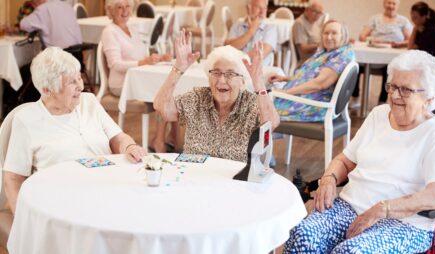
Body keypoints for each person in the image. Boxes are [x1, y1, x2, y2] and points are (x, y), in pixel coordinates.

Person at [283, 50, 435, 253]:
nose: (395, 95)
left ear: (429, 98)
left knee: (352, 252)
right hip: (351, 205)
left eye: (406, 90)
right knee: (302, 234)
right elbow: (345, 160)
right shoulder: (379, 115)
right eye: (393, 87)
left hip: (405, 223)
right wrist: (328, 179)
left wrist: (382, 209)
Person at [3, 47, 147, 214]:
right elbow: (13, 179)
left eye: (79, 77)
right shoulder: (26, 120)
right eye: (72, 82)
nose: (80, 85)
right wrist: (24, 222)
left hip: (108, 191)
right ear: (47, 90)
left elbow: (118, 138)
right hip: (62, 204)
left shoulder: (89, 102)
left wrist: (129, 147)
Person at [154, 30, 280, 162]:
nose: (221, 81)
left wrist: (259, 83)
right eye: (216, 73)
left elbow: (272, 123)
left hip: (233, 179)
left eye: (230, 74)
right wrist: (178, 68)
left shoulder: (251, 103)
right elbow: (162, 108)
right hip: (195, 176)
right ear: (209, 77)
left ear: (242, 81)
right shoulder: (198, 98)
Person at [101, 0, 172, 152]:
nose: (124, 10)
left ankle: (171, 138)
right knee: (164, 94)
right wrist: (143, 62)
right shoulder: (109, 32)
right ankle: (159, 141)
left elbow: (142, 56)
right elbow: (115, 64)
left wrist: (158, 57)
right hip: (121, 84)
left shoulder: (132, 28)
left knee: (171, 91)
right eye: (119, 7)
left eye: (128, 6)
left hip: (139, 80)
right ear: (111, 10)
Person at [269, 20, 354, 122]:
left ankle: (267, 134)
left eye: (334, 33)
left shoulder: (341, 56)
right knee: (257, 104)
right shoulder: (326, 52)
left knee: (261, 109)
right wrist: (285, 78)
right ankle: (267, 135)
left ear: (343, 35)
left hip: (313, 105)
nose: (329, 37)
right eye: (326, 33)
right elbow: (309, 76)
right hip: (302, 98)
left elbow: (319, 84)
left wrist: (285, 92)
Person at [352, 0, 413, 106]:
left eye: (394, 3)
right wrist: (373, 39)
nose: (391, 6)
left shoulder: (403, 21)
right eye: (389, 3)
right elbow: (362, 36)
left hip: (391, 56)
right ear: (384, 4)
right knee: (355, 65)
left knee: (390, 69)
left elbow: (410, 40)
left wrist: (398, 44)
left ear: (398, 5)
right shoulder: (374, 18)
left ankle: (382, 101)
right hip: (373, 52)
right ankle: (355, 96)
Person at [224, 0, 277, 66]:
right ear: (248, 8)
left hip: (259, 72)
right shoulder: (237, 26)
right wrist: (252, 30)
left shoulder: (270, 29)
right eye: (258, 7)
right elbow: (228, 48)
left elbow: (260, 54)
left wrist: (239, 62)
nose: (262, 12)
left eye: (264, 8)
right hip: (236, 71)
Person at [293, 0, 326, 66]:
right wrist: (319, 45)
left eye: (320, 13)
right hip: (309, 60)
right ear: (307, 10)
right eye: (315, 12)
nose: (317, 15)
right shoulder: (300, 23)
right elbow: (303, 49)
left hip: (319, 56)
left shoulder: (315, 23)